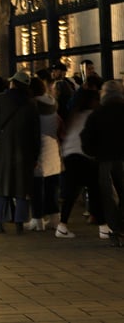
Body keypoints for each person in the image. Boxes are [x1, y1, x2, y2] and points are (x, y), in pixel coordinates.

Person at [0, 70, 40, 235]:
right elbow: (35, 132)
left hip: (3, 149)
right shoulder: (31, 103)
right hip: (25, 151)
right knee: (22, 188)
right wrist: (36, 155)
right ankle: (20, 223)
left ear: (13, 83)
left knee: (0, 186)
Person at [80, 79, 124, 247]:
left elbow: (86, 138)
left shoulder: (97, 113)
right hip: (122, 157)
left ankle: (114, 227)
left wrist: (92, 153)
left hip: (103, 159)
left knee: (108, 194)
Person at [56, 86, 102, 238]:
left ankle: (62, 226)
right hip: (85, 156)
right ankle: (103, 226)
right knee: (95, 189)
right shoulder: (92, 115)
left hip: (70, 155)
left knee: (71, 193)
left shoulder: (74, 115)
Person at [25, 76, 63, 231]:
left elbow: (30, 129)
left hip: (39, 147)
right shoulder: (52, 102)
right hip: (53, 146)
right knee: (52, 185)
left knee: (36, 186)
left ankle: (37, 219)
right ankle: (55, 218)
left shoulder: (32, 105)